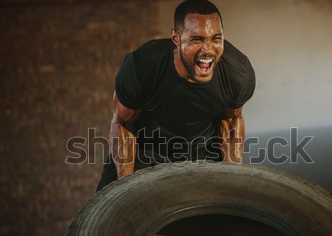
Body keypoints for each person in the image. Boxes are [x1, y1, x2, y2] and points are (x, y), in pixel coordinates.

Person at [96, 0, 255, 191]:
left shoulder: (237, 73)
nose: (208, 50)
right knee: (107, 207)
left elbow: (230, 122)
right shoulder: (142, 68)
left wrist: (232, 183)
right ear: (176, 38)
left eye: (216, 38)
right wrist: (126, 189)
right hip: (144, 153)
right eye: (197, 39)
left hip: (202, 154)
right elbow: (123, 124)